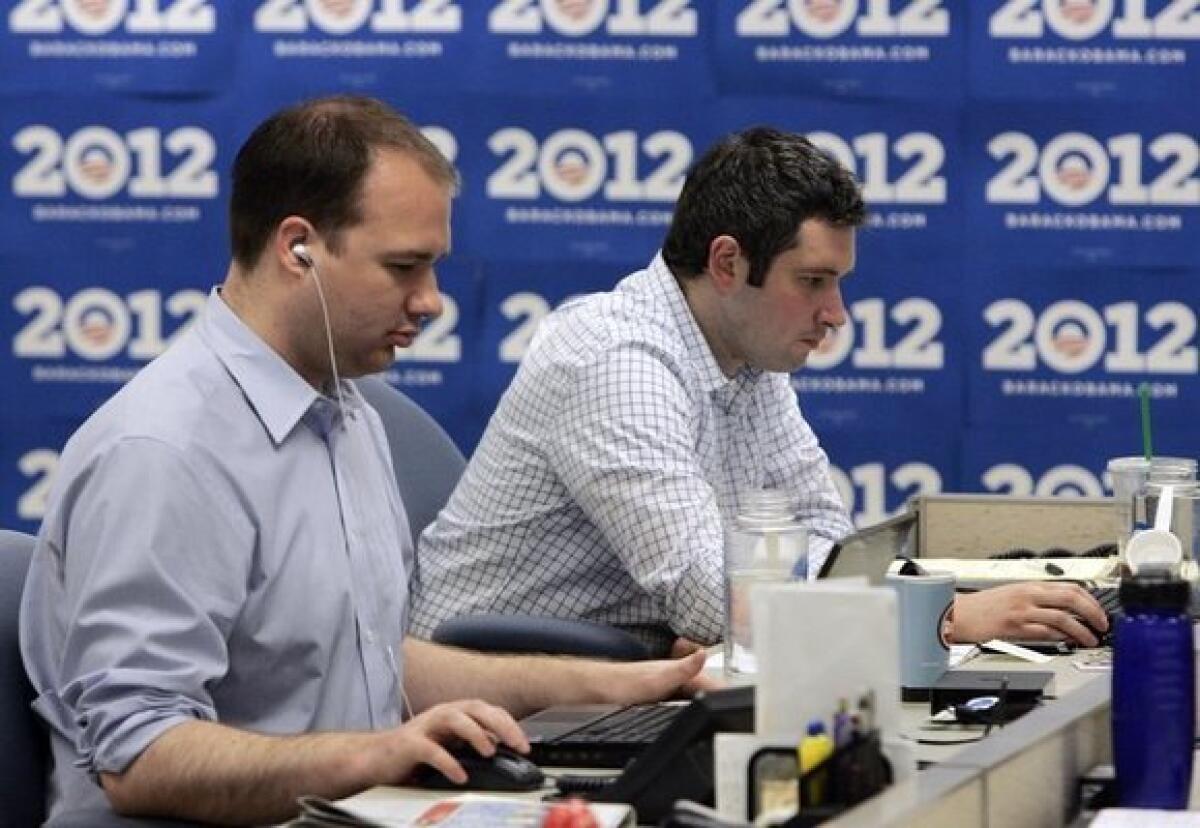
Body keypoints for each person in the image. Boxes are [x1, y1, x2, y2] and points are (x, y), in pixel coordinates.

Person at [19, 96, 705, 827]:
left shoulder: (346, 414)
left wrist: (631, 687)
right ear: (297, 250)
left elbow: (368, 660)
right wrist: (370, 757)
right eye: (404, 267)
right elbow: (140, 756)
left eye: (434, 267)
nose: (432, 301)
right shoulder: (162, 452)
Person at [409, 126, 1108, 655]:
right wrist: (945, 619)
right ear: (727, 262)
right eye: (812, 282)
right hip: (483, 702)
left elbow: (829, 546)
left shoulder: (749, 358)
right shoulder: (615, 358)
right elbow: (715, 599)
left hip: (613, 681)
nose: (835, 314)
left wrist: (895, 607)